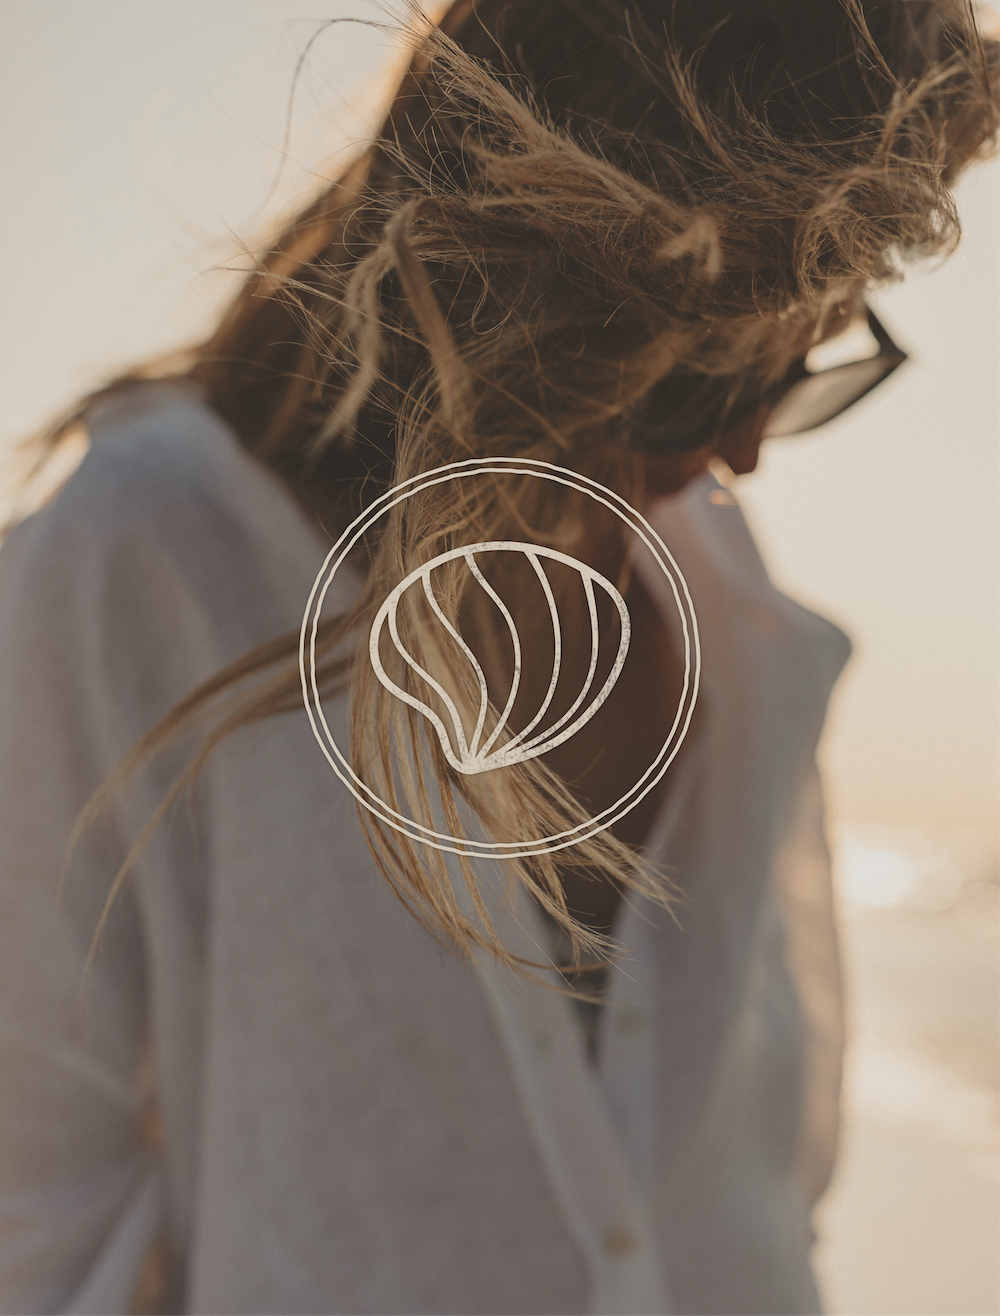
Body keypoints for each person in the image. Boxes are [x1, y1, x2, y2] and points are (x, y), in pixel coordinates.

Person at [0, 2, 996, 1313]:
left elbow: (765, 1190)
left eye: (800, 366)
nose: (743, 458)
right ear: (525, 292)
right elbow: (31, 1226)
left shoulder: (741, 619)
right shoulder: (149, 558)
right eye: (697, 384)